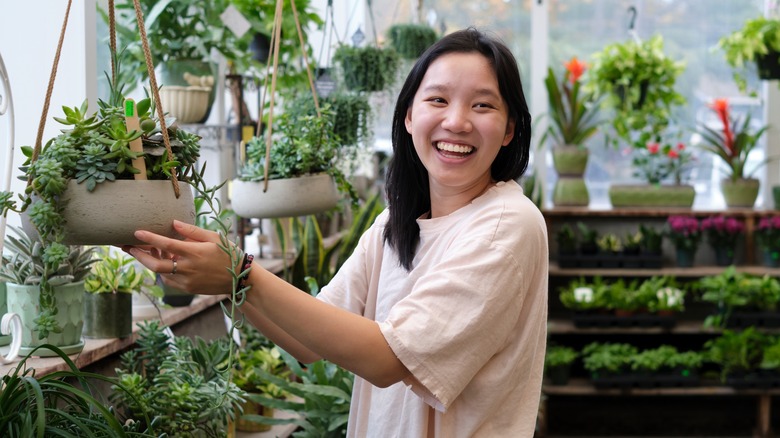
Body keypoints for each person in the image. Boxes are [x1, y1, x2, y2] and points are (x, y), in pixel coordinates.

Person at [126, 27, 548, 437]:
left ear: (510, 129)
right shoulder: (395, 224)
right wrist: (223, 277)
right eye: (438, 99)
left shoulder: (506, 225)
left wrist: (240, 272)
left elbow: (387, 359)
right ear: (408, 116)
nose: (456, 122)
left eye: (482, 106)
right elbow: (305, 344)